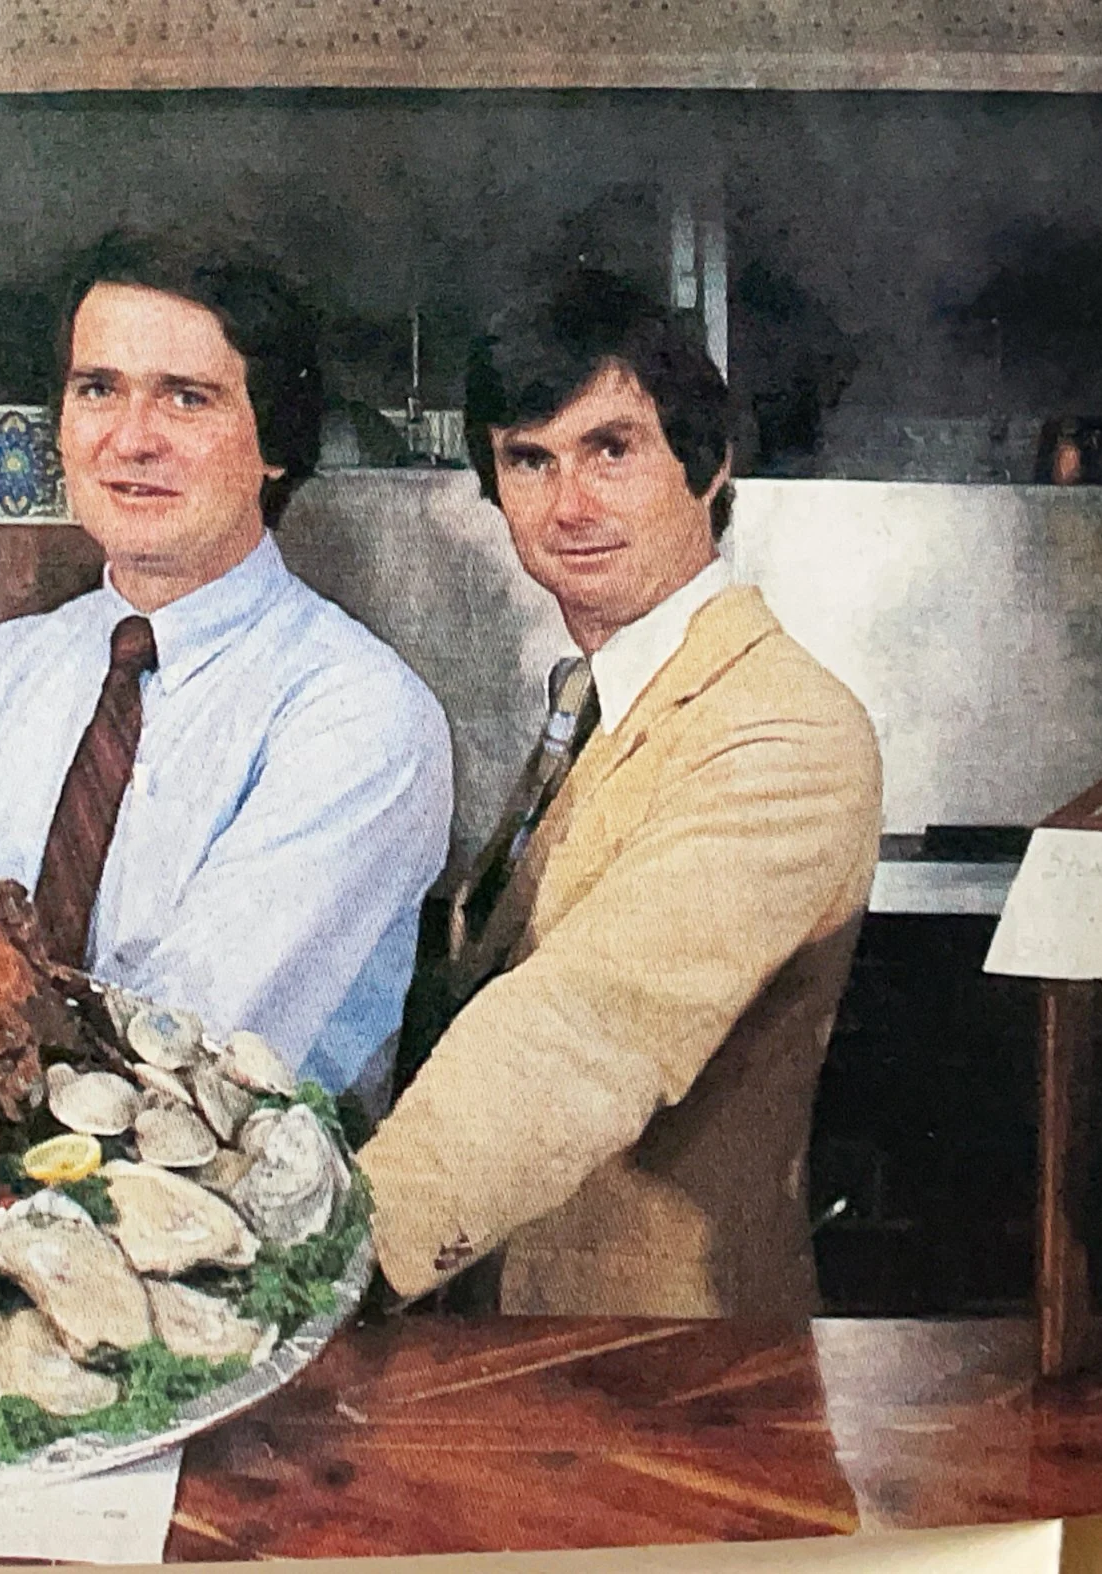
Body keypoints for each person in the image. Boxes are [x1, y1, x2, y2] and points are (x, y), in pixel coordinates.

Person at [358, 269, 883, 1319]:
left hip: (664, 1367)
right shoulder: (591, 692)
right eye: (529, 459)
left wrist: (329, 1252)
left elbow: (581, 1027)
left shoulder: (785, 727)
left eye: (611, 448)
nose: (570, 505)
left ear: (707, 461)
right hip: (518, 1349)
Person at [0, 232, 454, 1108]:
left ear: (276, 441)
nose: (132, 440)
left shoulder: (359, 715)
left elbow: (180, 1049)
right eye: (99, 390)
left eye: (187, 399)